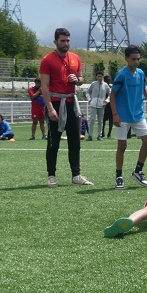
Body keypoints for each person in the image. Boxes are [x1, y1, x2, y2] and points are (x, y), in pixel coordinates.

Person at [39, 28, 93, 188]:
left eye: (68, 40)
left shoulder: (75, 58)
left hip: (72, 103)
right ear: (55, 42)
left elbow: (82, 79)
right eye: (62, 40)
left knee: (75, 141)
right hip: (55, 104)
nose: (66, 43)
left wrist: (77, 79)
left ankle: (76, 175)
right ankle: (51, 175)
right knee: (53, 142)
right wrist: (50, 108)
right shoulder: (47, 60)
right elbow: (45, 86)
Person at [110, 45, 147, 189]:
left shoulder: (141, 73)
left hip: (138, 114)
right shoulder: (121, 75)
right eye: (133, 59)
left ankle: (138, 171)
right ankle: (119, 176)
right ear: (126, 59)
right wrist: (115, 114)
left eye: (138, 59)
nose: (136, 62)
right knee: (122, 146)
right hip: (122, 116)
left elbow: (143, 87)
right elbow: (112, 95)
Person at [85, 72, 110, 141]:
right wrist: (90, 100)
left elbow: (110, 94)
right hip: (93, 104)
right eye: (98, 76)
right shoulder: (93, 84)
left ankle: (99, 135)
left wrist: (106, 101)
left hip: (101, 105)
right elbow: (87, 92)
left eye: (101, 76)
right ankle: (90, 135)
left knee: (100, 121)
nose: (99, 78)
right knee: (92, 120)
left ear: (102, 77)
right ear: (96, 77)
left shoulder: (105, 85)